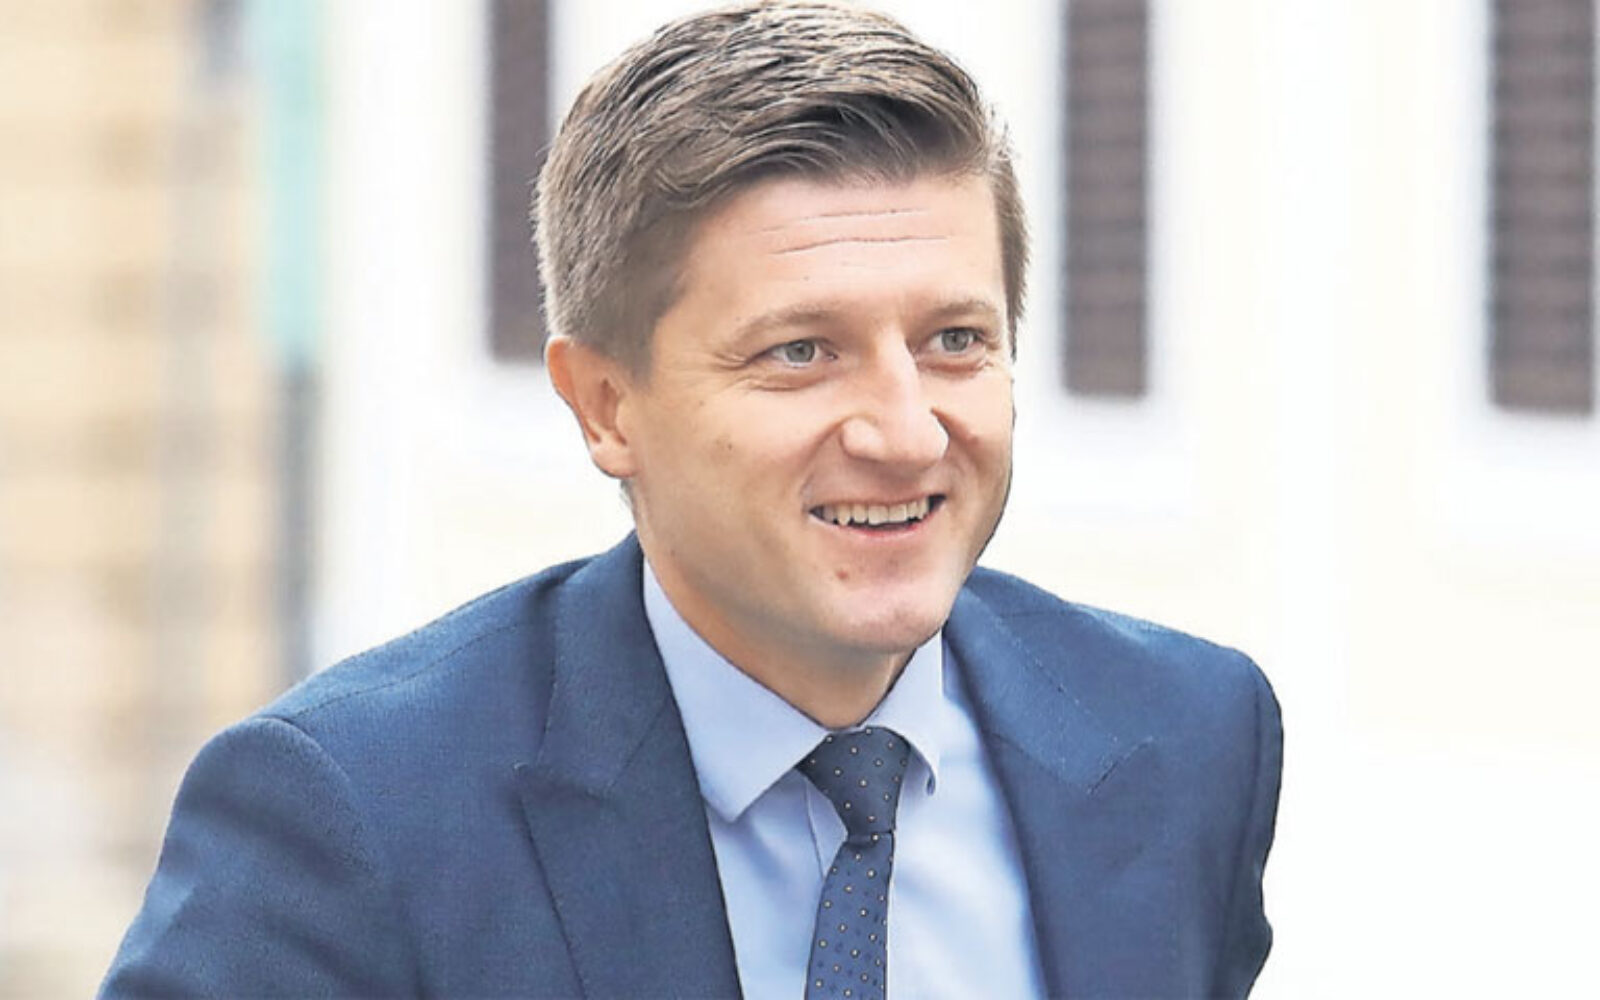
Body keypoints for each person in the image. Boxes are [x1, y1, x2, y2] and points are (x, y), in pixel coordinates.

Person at [102, 2, 1281, 997]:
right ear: (606, 406)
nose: (906, 431)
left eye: (955, 340)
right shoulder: (354, 817)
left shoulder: (1186, 741)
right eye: (800, 352)